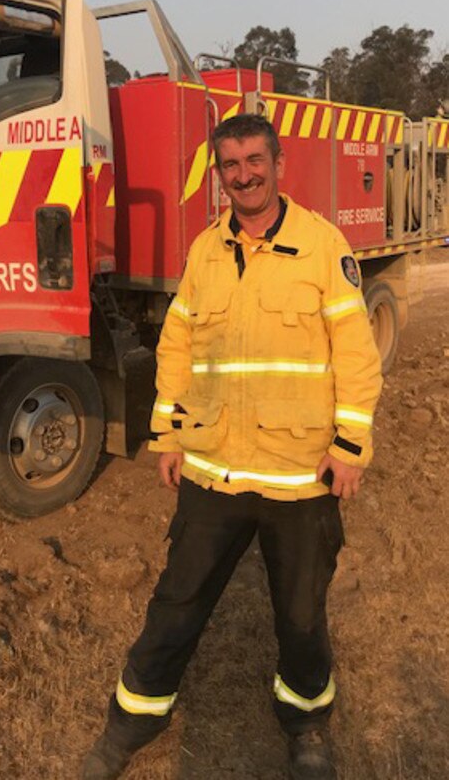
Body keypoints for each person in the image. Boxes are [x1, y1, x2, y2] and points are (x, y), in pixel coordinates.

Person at [82, 114, 383, 780]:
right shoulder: (206, 250)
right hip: (213, 471)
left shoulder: (322, 246)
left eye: (254, 160)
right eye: (230, 164)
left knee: (302, 615)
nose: (243, 174)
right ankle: (131, 722)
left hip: (299, 476)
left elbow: (358, 357)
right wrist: (165, 434)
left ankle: (305, 725)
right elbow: (179, 345)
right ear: (218, 174)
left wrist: (350, 446)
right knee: (176, 602)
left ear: (279, 165)